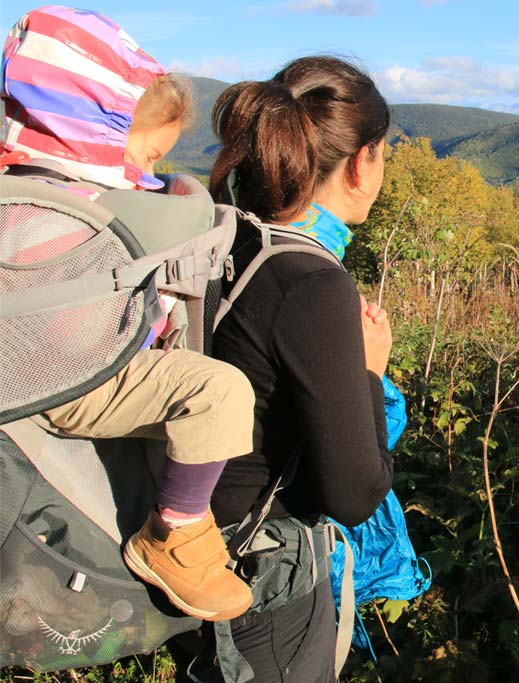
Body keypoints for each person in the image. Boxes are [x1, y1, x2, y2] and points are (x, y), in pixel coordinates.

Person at [1, 5, 254, 622]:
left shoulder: (25, 195)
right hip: (74, 377)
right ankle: (174, 533)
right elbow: (78, 328)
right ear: (97, 132)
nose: (145, 172)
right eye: (144, 154)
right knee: (220, 392)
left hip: (23, 367)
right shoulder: (86, 213)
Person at [168, 56, 395, 682]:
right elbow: (352, 494)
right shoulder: (313, 283)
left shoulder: (232, 236)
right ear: (361, 163)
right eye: (384, 154)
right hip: (261, 584)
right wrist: (370, 374)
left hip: (196, 548)